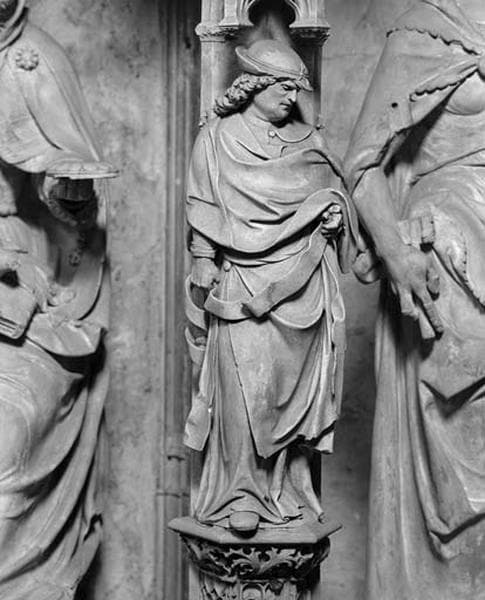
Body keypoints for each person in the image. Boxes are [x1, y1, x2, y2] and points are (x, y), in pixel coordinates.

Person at [184, 39, 356, 535]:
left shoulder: (308, 141)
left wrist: (333, 219)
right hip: (242, 279)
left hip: (303, 284)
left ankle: (287, 487)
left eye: (296, 90)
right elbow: (203, 202)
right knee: (243, 391)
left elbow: (337, 193)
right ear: (255, 86)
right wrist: (203, 257)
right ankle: (241, 492)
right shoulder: (217, 138)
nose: (291, 98)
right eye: (283, 87)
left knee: (288, 393)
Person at [345, 0, 485, 598]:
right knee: (459, 435)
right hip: (447, 256)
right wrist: (395, 252)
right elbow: (362, 165)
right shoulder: (427, 28)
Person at [0, 2, 116, 598]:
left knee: (7, 443)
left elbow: (79, 219)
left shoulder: (33, 61)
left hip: (21, 291)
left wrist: (66, 191)